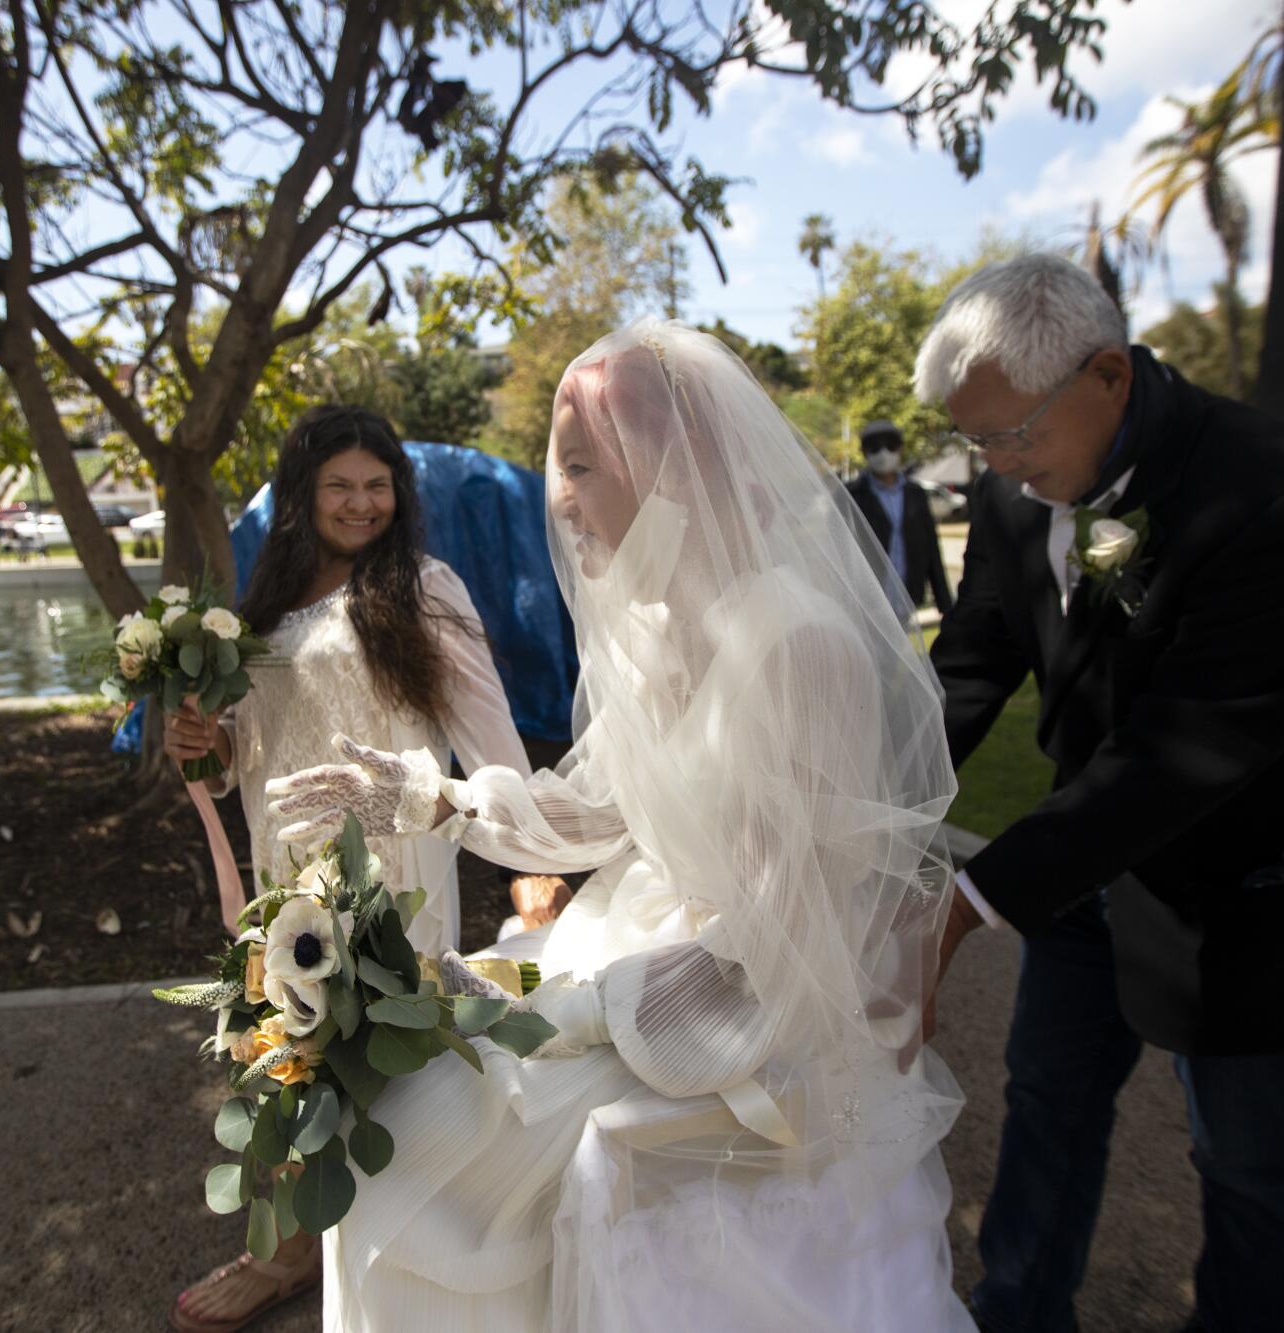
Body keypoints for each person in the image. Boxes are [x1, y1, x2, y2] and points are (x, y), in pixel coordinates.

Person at [265, 323, 972, 1332]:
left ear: (670, 469)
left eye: (582, 467)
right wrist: (438, 797)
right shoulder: (652, 624)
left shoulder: (797, 643)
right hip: (644, 955)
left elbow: (781, 930)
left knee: (415, 1151)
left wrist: (563, 1011)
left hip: (746, 1008)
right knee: (402, 1116)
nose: (559, 499)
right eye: (560, 467)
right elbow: (601, 804)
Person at [915, 255, 1284, 1333]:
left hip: (1241, 891)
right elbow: (967, 671)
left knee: (1245, 1158)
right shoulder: (1013, 495)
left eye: (1014, 435)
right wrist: (856, 793)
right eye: (975, 440)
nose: (993, 464)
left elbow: (1190, 745)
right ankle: (1019, 1312)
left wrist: (964, 901)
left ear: (1108, 375)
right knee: (1045, 1106)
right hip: (1079, 877)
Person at [162, 404, 567, 1333]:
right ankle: (293, 1253)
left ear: (399, 492)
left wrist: (528, 858)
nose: (360, 502)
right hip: (283, 869)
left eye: (376, 484)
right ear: (301, 494)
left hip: (385, 868)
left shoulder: (424, 588)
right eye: (339, 484)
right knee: (285, 1059)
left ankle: (400, 1266)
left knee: (385, 1071)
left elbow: (492, 743)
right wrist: (208, 742)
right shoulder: (262, 604)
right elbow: (242, 759)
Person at [845, 419, 953, 613]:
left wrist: (944, 602)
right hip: (865, 599)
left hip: (906, 594)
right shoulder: (852, 495)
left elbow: (930, 546)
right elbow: (840, 548)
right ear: (864, 452)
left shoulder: (915, 493)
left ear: (900, 449)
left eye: (890, 446)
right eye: (875, 448)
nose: (883, 453)